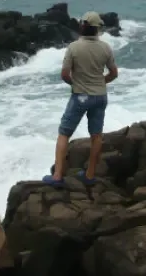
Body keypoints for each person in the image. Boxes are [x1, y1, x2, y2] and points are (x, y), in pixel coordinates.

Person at [43, 11, 118, 187]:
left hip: (80, 97)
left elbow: (64, 74)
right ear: (97, 29)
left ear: (83, 26)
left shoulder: (74, 47)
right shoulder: (106, 47)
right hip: (100, 97)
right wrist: (100, 83)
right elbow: (114, 73)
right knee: (96, 135)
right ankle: (90, 175)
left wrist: (75, 84)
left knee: (64, 134)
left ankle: (57, 176)